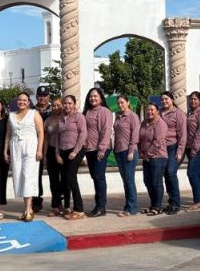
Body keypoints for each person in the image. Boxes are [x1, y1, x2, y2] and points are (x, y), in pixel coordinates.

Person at [6, 92, 44, 221]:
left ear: (28, 102)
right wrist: (5, 151)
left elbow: (41, 132)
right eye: (19, 100)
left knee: (28, 176)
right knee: (19, 177)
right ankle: (27, 208)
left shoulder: (34, 114)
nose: (22, 102)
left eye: (24, 100)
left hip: (30, 146)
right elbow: (8, 135)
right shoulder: (11, 115)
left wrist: (39, 150)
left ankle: (28, 209)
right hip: (15, 147)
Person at [83, 87, 114, 217]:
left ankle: (101, 207)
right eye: (91, 96)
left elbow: (106, 131)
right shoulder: (87, 112)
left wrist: (101, 149)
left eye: (95, 96)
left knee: (99, 178)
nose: (93, 98)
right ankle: (98, 206)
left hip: (100, 149)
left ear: (101, 98)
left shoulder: (104, 111)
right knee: (95, 177)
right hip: (89, 149)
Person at [55, 94, 87, 220]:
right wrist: (57, 154)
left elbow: (83, 134)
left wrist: (75, 151)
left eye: (70, 103)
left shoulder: (79, 116)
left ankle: (79, 209)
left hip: (76, 150)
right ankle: (67, 206)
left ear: (74, 104)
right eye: (65, 103)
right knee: (64, 179)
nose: (67, 105)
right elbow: (58, 137)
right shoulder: (61, 118)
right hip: (63, 151)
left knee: (71, 178)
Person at [159, 91, 187, 215]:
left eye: (166, 99)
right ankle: (171, 202)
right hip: (162, 148)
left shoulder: (179, 114)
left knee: (171, 173)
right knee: (166, 174)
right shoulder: (159, 112)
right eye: (162, 99)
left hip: (174, 147)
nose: (164, 101)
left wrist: (180, 151)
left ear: (172, 100)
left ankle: (176, 204)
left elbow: (183, 134)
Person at [112, 94, 140, 217]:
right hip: (118, 151)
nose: (120, 105)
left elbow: (135, 135)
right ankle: (127, 206)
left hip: (129, 151)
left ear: (128, 103)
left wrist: (131, 151)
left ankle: (131, 208)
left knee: (129, 180)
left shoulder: (133, 116)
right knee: (125, 181)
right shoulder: (118, 116)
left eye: (122, 102)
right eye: (118, 103)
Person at [139, 103, 168, 215]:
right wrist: (141, 152)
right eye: (148, 110)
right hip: (146, 157)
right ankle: (153, 205)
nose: (149, 112)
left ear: (157, 111)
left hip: (158, 157)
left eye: (152, 110)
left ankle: (158, 207)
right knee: (147, 181)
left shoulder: (161, 124)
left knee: (156, 182)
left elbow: (158, 142)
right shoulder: (144, 123)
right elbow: (140, 139)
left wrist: (147, 154)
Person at [31, 86, 54, 213]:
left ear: (48, 97)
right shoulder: (31, 110)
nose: (42, 98)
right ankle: (36, 200)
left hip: (52, 146)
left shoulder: (54, 109)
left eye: (45, 96)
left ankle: (57, 201)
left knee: (54, 175)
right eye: (40, 95)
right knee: (36, 176)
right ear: (36, 97)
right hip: (36, 147)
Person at [40, 99, 63, 216]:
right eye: (53, 105)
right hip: (51, 151)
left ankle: (64, 204)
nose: (56, 107)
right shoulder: (48, 120)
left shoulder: (66, 118)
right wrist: (44, 155)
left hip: (63, 151)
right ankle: (55, 205)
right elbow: (45, 139)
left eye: (58, 105)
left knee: (65, 179)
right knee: (53, 180)